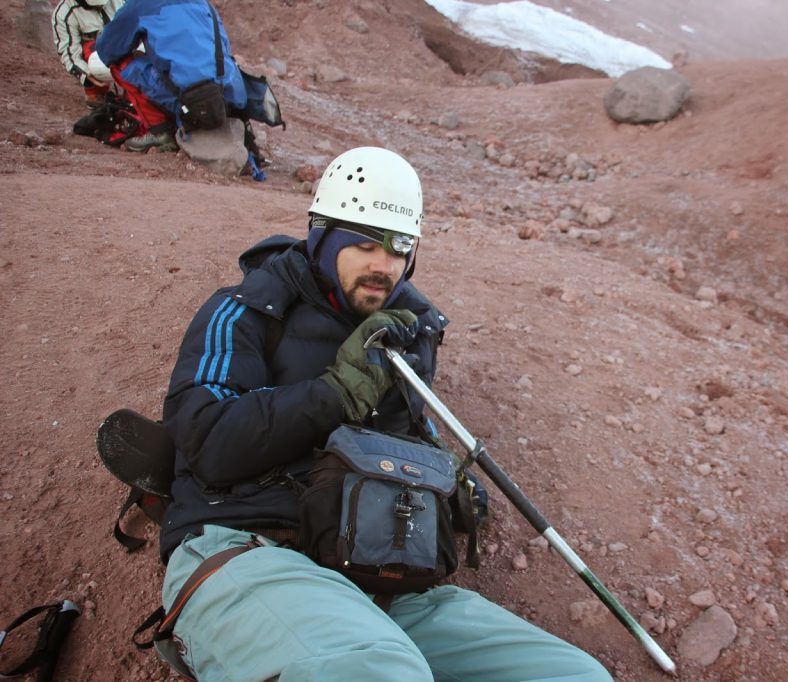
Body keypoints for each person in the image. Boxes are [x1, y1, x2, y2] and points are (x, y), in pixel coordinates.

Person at [156, 146, 612, 681]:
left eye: (399, 247)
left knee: (572, 675)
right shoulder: (246, 311)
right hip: (248, 550)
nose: (385, 265)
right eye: (365, 243)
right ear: (323, 236)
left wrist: (448, 482)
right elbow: (207, 442)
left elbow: (408, 442)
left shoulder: (408, 335)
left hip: (379, 574)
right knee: (378, 670)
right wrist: (335, 394)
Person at [93, 0, 247, 153]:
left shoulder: (140, 5)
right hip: (227, 94)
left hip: (192, 101)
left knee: (121, 63)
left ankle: (160, 131)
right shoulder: (203, 3)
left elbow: (109, 49)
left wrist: (101, 37)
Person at [51, 0, 125, 109]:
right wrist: (86, 74)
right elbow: (69, 54)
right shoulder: (64, 12)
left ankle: (140, 89)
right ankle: (95, 91)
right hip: (98, 54)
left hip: (125, 41)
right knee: (95, 55)